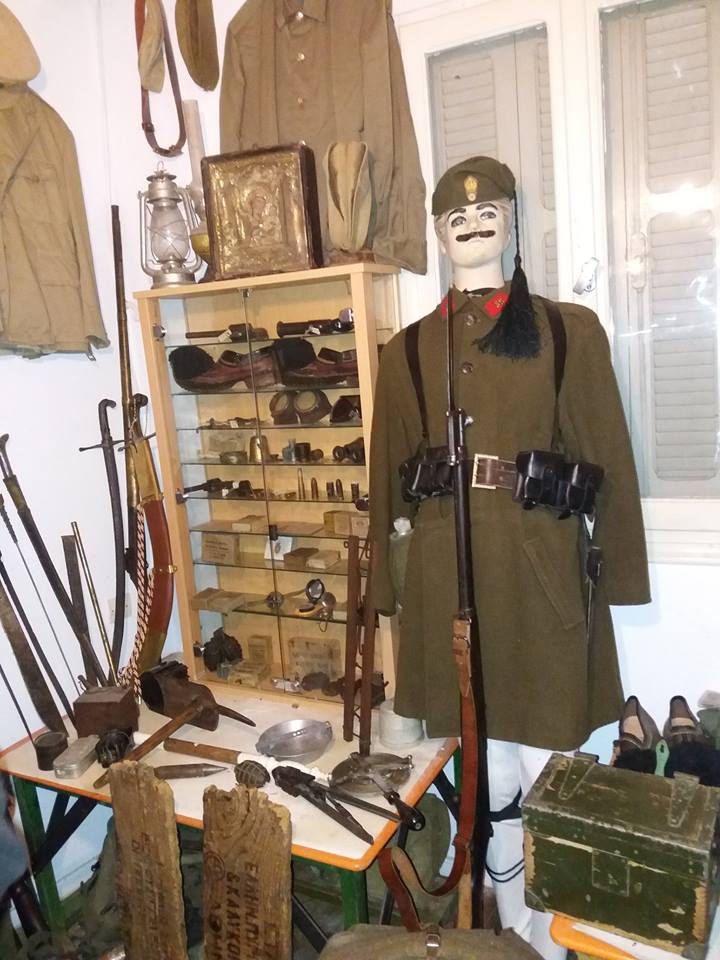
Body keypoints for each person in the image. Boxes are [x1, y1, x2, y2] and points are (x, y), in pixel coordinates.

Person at [369, 156, 650, 957]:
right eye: (456, 217)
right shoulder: (408, 349)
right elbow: (387, 481)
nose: (472, 224)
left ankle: (553, 935)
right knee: (482, 767)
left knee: (549, 763)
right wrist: (386, 599)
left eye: (487, 211)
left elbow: (609, 460)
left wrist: (622, 574)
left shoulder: (566, 330)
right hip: (446, 577)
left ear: (512, 223)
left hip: (539, 575)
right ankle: (510, 930)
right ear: (438, 235)